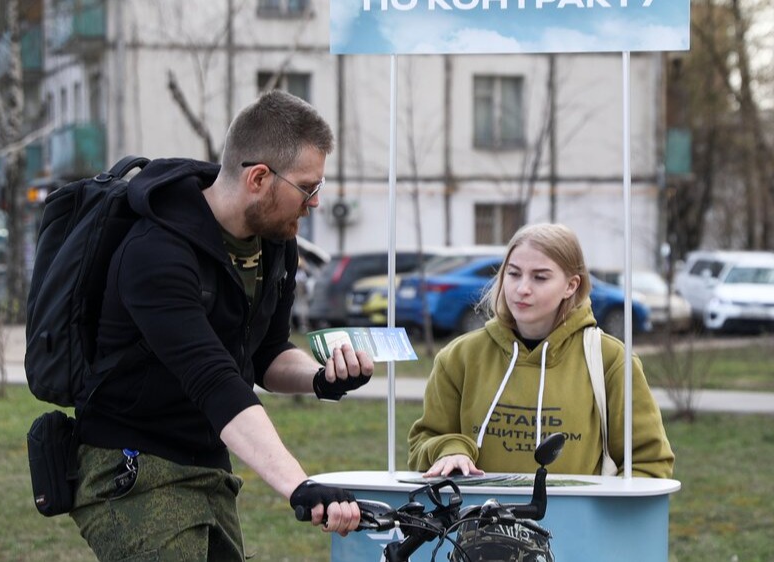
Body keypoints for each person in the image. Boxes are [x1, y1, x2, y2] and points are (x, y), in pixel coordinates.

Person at [69, 90, 374, 561]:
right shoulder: (156, 252)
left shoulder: (274, 244)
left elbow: (267, 353)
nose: (314, 203)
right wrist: (299, 485)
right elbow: (214, 380)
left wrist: (319, 377)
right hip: (131, 466)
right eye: (308, 188)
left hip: (208, 462)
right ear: (258, 178)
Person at [408, 223, 674, 479]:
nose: (522, 289)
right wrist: (449, 451)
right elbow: (423, 443)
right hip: (477, 524)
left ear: (571, 285)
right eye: (513, 274)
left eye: (540, 277)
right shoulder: (459, 358)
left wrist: (605, 518)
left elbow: (650, 462)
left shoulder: (611, 361)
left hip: (578, 525)